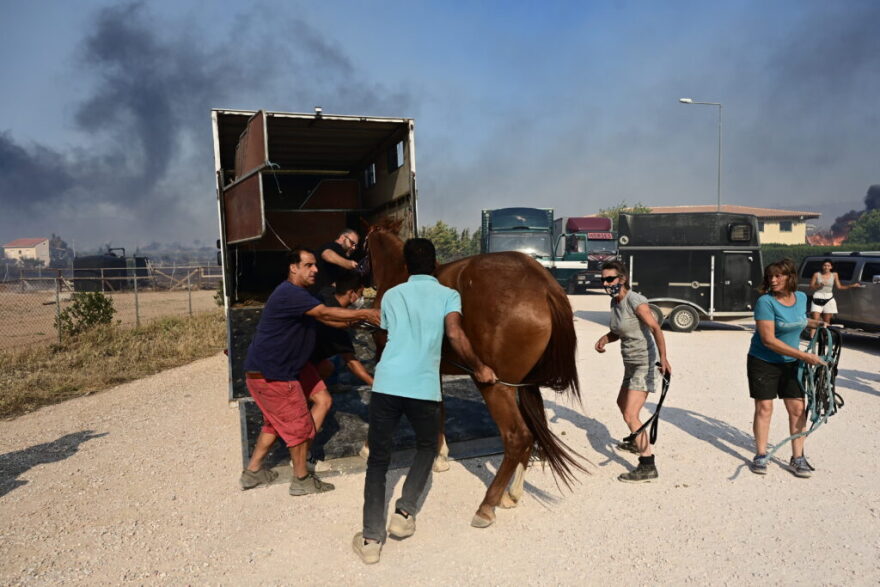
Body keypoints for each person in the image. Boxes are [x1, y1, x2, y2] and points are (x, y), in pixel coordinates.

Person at [352, 238, 496, 565]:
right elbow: (456, 336)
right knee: (427, 447)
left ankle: (371, 540)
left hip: (387, 383)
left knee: (378, 461)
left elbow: (387, 332)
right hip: (422, 387)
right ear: (434, 265)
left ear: (406, 266)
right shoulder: (448, 295)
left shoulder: (392, 295)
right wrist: (479, 368)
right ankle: (405, 512)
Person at [238, 248, 379, 496]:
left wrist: (357, 321)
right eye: (309, 265)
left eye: (315, 265)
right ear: (293, 267)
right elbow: (325, 313)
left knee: (315, 403)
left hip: (290, 367)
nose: (315, 269)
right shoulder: (290, 293)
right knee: (299, 426)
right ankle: (301, 479)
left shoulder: (302, 295)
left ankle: (253, 472)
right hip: (273, 373)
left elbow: (327, 320)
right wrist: (365, 312)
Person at [594, 260, 671, 484]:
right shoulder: (614, 303)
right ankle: (636, 440)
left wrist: (663, 359)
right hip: (630, 363)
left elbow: (655, 327)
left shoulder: (634, 300)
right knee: (621, 403)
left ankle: (647, 464)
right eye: (603, 280)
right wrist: (605, 339)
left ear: (622, 279)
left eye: (610, 279)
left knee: (630, 414)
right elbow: (619, 331)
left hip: (645, 363)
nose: (606, 283)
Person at [747, 259, 825, 478]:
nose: (773, 280)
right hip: (764, 361)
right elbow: (768, 339)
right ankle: (761, 454)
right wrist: (804, 355)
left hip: (792, 363)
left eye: (778, 276)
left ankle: (798, 457)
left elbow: (797, 320)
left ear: (790, 277)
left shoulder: (800, 298)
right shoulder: (765, 302)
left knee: (798, 409)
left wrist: (818, 325)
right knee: (765, 408)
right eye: (770, 276)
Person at [808, 259, 864, 335]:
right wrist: (819, 285)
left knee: (826, 321)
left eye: (828, 266)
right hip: (817, 297)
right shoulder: (816, 274)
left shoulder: (834, 275)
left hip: (829, 298)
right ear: (822, 266)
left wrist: (852, 286)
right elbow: (811, 287)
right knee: (815, 320)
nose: (826, 267)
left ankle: (825, 337)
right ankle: (812, 338)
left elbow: (839, 287)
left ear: (831, 267)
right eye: (824, 265)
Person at [312, 228, 360, 294]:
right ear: (342, 237)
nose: (353, 248)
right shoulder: (335, 246)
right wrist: (349, 263)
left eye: (355, 246)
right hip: (319, 294)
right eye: (352, 243)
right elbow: (326, 254)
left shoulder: (341, 252)